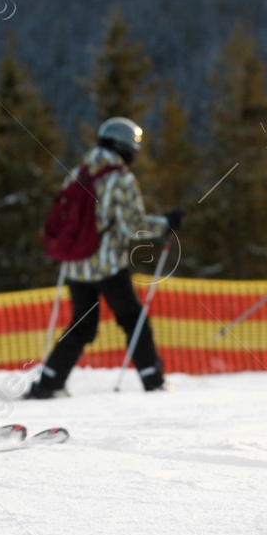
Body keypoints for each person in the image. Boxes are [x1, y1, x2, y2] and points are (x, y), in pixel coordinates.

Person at [25, 117, 183, 398]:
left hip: (76, 264)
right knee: (133, 320)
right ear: (124, 147)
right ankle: (152, 379)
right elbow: (133, 225)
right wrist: (165, 223)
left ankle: (48, 383)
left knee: (82, 325)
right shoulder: (120, 178)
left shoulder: (79, 172)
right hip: (108, 265)